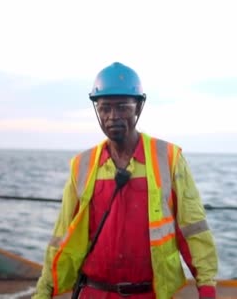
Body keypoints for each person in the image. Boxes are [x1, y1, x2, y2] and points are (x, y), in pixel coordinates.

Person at [33, 62, 218, 299]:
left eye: (122, 107)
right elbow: (61, 235)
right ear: (96, 110)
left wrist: (207, 286)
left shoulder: (169, 158)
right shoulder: (82, 165)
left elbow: (193, 228)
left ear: (138, 106)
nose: (113, 116)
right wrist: (44, 291)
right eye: (105, 108)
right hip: (93, 293)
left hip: (148, 294)